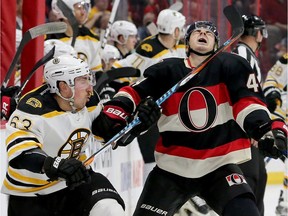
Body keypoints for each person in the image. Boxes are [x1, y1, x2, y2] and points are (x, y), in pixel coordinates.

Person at [92, 20, 288, 216]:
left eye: (209, 33)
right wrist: (116, 114)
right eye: (197, 32)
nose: (203, 33)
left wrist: (263, 129)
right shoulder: (167, 69)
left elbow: (248, 103)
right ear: (187, 43)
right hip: (171, 170)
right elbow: (132, 93)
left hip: (218, 167)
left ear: (216, 44)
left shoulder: (232, 67)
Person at [1, 55, 127, 216]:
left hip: (76, 182)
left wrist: (135, 124)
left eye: (89, 79)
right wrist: (55, 165)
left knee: (110, 210)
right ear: (64, 87)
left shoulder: (89, 100)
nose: (90, 88)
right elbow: (22, 155)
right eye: (83, 80)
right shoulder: (32, 110)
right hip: (30, 193)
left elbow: (105, 132)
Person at [231, 14, 268, 216]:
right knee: (251, 180)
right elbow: (243, 94)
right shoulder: (243, 55)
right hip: (243, 133)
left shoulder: (244, 54)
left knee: (259, 178)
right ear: (257, 33)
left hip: (247, 131)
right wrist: (252, 128)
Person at [262, 51, 288, 216]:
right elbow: (272, 77)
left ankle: (285, 202)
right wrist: (273, 94)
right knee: (259, 155)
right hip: (280, 115)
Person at [47, 0, 102, 73]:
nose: (83, 12)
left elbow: (96, 72)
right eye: (79, 8)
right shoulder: (48, 37)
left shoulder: (91, 37)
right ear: (63, 9)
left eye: (85, 8)